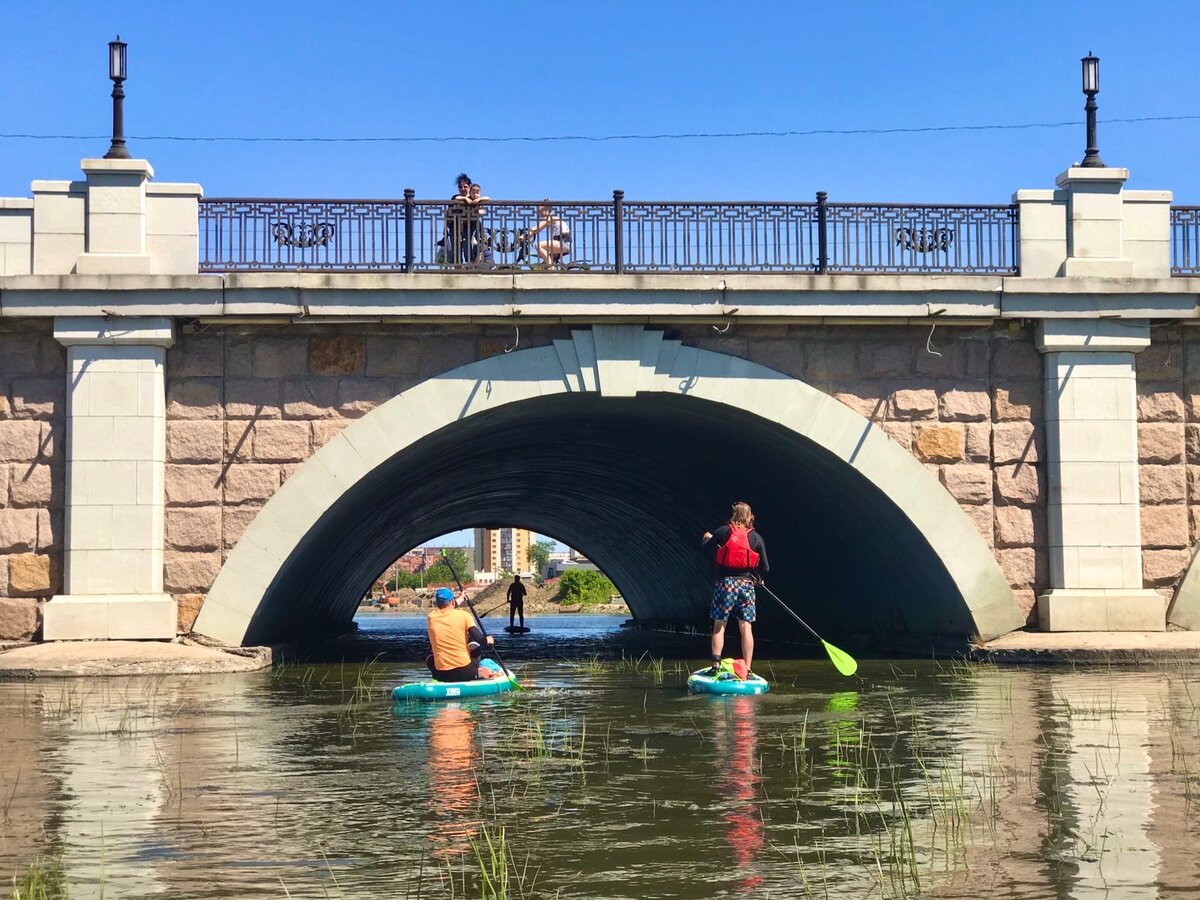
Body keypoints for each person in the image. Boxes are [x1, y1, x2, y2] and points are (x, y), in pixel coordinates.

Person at [702, 501, 769, 677]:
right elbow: (765, 567)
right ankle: (747, 668)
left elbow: (707, 549)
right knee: (746, 627)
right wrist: (759, 579)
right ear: (750, 517)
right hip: (746, 585)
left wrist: (707, 538)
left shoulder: (723, 531)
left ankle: (715, 666)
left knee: (719, 624)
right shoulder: (756, 537)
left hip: (726, 584)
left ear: (733, 515)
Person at [425, 586, 501, 681]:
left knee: (429, 652)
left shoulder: (431, 617)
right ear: (452, 601)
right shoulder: (464, 616)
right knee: (474, 643)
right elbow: (478, 637)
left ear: (437, 604)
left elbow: (446, 608)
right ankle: (477, 673)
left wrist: (461, 598)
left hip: (441, 674)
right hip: (465, 672)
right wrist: (488, 640)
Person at [529, 201, 572, 269]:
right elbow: (536, 231)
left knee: (538, 245)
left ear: (547, 210)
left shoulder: (551, 218)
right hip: (560, 243)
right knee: (542, 266)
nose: (539, 213)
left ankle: (551, 267)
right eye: (538, 211)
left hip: (563, 243)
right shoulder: (549, 220)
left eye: (540, 211)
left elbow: (537, 227)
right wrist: (528, 235)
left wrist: (525, 234)